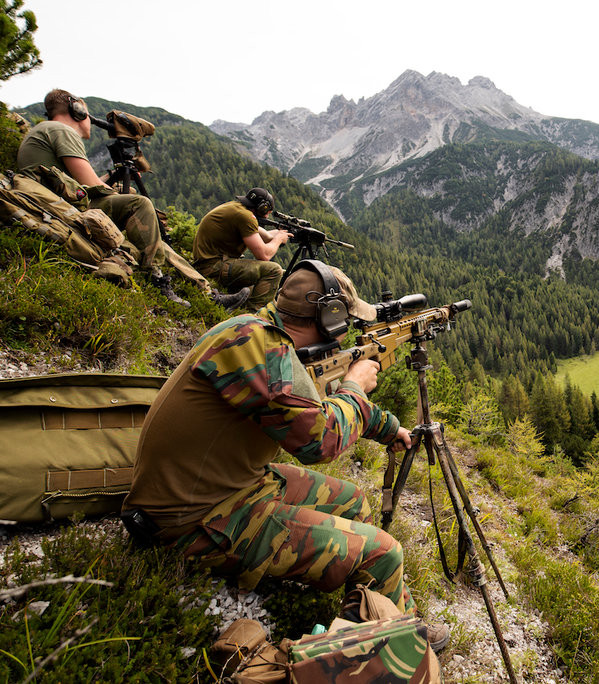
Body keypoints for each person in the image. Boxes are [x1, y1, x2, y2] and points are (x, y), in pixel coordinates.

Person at [121, 259, 449, 651]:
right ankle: (399, 643)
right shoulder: (260, 350)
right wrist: (356, 387)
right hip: (196, 520)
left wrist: (385, 426)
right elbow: (319, 442)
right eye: (342, 322)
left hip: (230, 485)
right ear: (327, 318)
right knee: (385, 552)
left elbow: (311, 399)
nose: (345, 334)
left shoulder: (259, 332)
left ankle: (364, 611)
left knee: (355, 502)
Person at [16, 88, 249, 310]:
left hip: (53, 202)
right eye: (87, 115)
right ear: (78, 111)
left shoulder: (44, 130)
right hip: (63, 208)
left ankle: (207, 293)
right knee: (140, 204)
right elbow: (92, 187)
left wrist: (112, 178)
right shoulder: (61, 131)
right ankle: (158, 280)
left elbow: (78, 183)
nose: (90, 121)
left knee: (150, 234)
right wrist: (119, 194)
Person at [193, 188, 290, 309]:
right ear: (262, 208)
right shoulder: (245, 217)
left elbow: (265, 235)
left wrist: (282, 233)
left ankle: (242, 309)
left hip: (210, 263)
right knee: (274, 270)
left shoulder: (237, 209)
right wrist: (279, 239)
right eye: (268, 211)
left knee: (283, 275)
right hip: (213, 267)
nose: (267, 215)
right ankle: (254, 315)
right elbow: (264, 255)